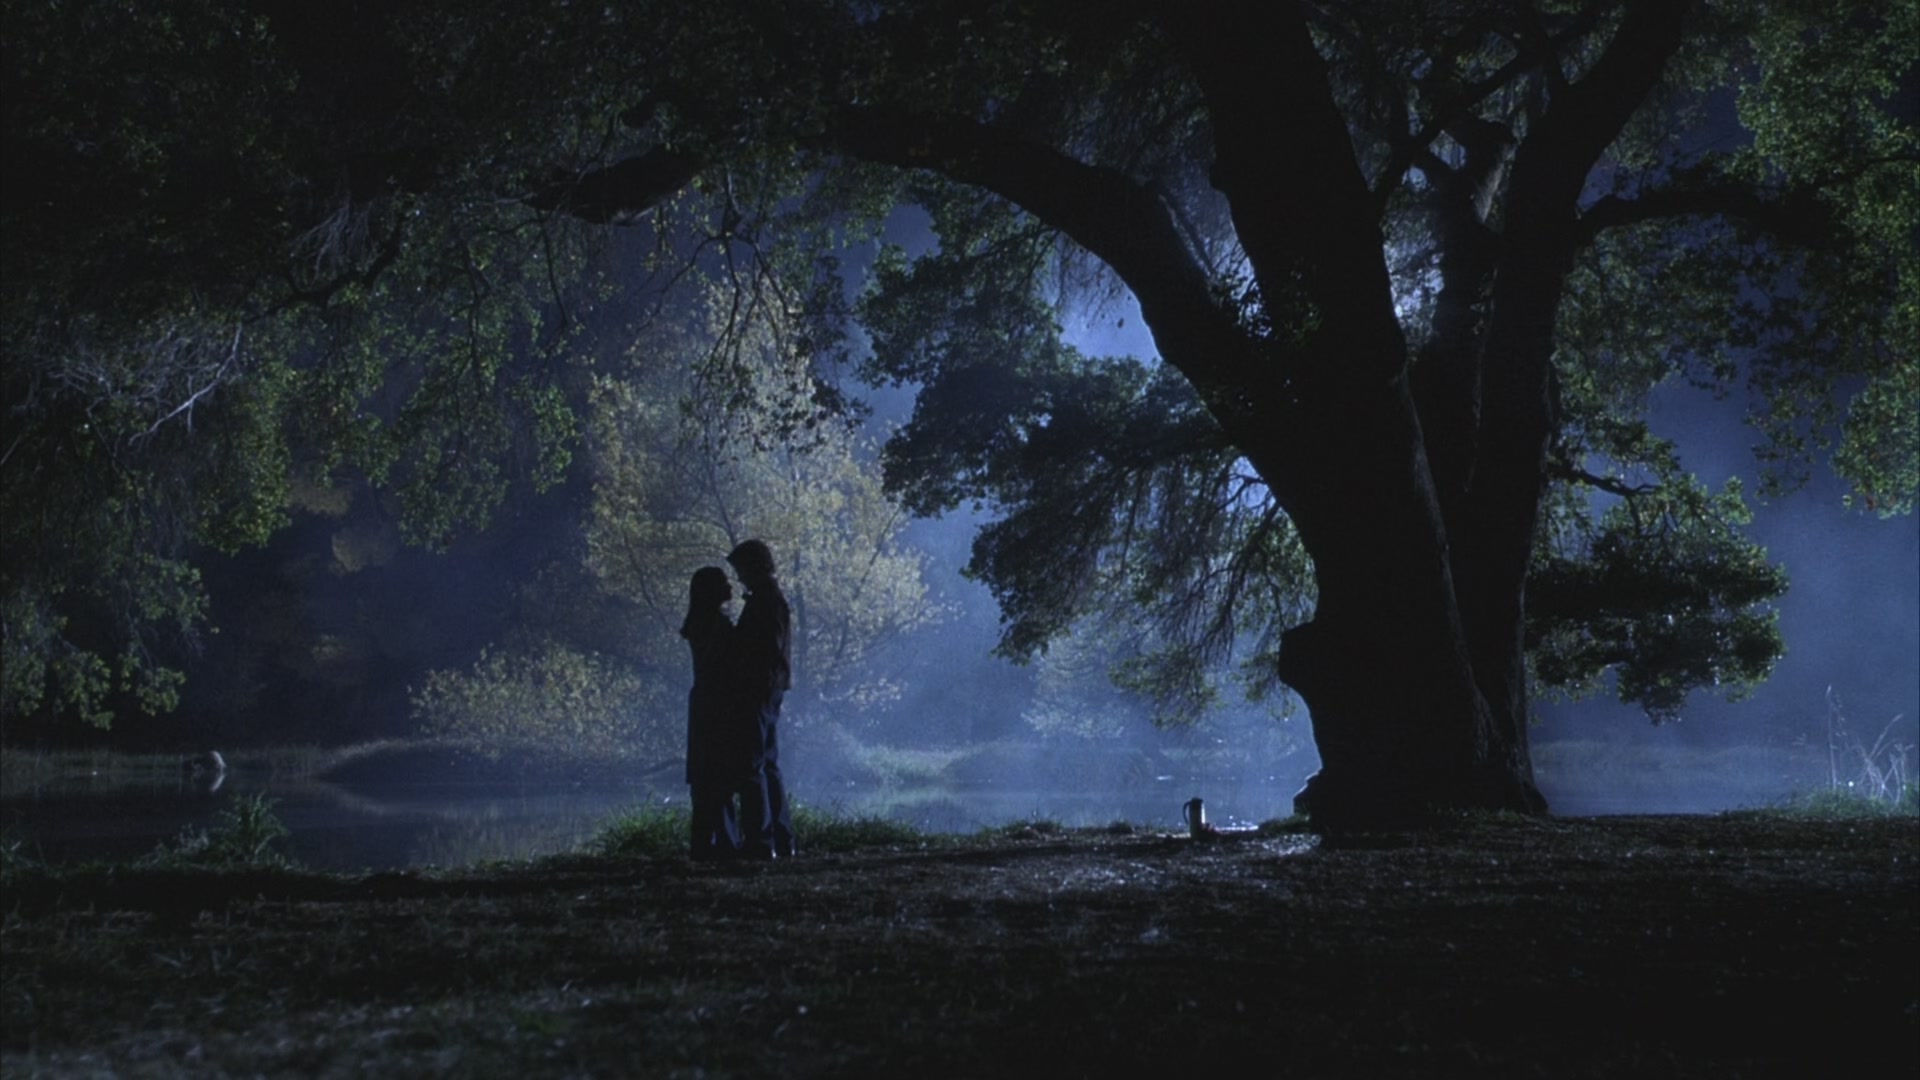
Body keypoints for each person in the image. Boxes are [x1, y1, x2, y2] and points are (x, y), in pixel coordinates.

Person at [727, 538, 796, 859]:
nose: (740, 577)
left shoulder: (765, 602)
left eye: (741, 569)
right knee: (767, 764)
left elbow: (762, 648)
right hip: (770, 688)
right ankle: (780, 839)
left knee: (752, 765)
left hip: (758, 689)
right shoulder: (772, 599)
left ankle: (760, 840)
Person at [680, 566, 743, 861]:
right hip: (718, 704)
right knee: (719, 774)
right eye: (724, 583)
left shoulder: (698, 624)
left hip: (704, 702)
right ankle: (726, 841)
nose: (730, 587)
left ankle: (703, 843)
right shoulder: (717, 626)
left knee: (704, 775)